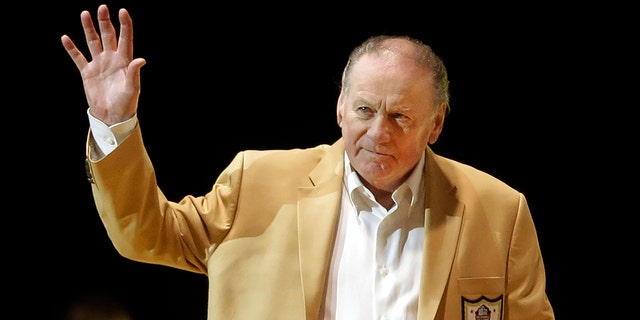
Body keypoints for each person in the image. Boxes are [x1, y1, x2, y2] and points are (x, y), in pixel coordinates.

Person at [61, 4, 555, 320]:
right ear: (340, 106)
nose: (378, 132)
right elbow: (144, 234)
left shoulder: (499, 212)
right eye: (364, 110)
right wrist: (115, 125)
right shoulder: (257, 182)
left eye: (402, 116)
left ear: (437, 123)